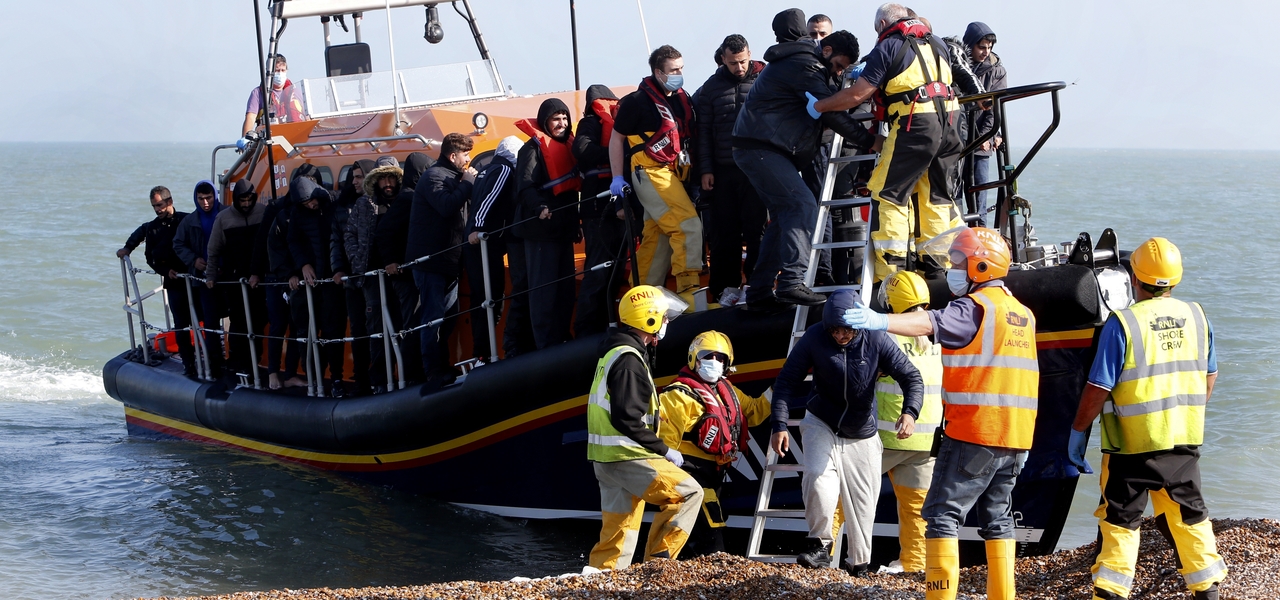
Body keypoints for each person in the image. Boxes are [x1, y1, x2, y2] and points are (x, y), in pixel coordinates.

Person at [842, 227, 1037, 600]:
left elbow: (929, 323)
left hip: (975, 432)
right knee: (997, 518)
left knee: (941, 515)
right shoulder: (1021, 314)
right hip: (1017, 436)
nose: (953, 269)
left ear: (981, 265)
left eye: (959, 262)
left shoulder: (976, 307)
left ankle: (940, 596)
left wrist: (879, 320)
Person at [1068, 238, 1226, 600]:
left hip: (1131, 446)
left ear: (1133, 279)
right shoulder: (1198, 316)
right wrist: (1186, 414)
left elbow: (1097, 388)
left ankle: (1110, 590)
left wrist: (1078, 432)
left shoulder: (1122, 325)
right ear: (1176, 279)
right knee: (1189, 516)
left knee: (1120, 521)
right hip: (1183, 442)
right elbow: (1209, 375)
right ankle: (1206, 589)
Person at [770, 288, 922, 575]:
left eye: (848, 330)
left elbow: (911, 377)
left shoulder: (877, 339)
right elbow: (786, 382)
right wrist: (779, 424)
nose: (841, 336)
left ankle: (859, 564)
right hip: (821, 422)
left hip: (862, 431)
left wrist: (910, 412)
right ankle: (819, 545)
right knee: (817, 476)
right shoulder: (814, 337)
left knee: (863, 506)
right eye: (836, 330)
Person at [810, 3, 963, 283]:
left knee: (888, 194)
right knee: (936, 196)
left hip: (914, 125)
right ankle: (936, 267)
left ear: (882, 25)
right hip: (951, 127)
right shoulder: (938, 43)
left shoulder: (890, 45)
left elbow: (858, 95)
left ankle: (892, 273)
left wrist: (820, 105)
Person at [731, 9, 868, 310]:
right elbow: (831, 111)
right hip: (762, 147)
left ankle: (759, 291)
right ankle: (792, 282)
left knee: (782, 217)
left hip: (762, 147)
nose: (837, 72)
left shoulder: (803, 63)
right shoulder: (805, 65)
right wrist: (870, 139)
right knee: (802, 204)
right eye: (838, 66)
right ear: (827, 51)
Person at [587, 285, 701, 570]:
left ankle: (602, 582)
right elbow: (626, 418)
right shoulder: (629, 360)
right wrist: (664, 450)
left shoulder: (616, 352)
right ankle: (658, 565)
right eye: (663, 318)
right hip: (628, 456)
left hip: (608, 458)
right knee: (688, 492)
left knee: (619, 529)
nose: (665, 323)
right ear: (648, 320)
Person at [656, 331, 771, 554]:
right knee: (709, 538)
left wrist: (781, 387)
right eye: (708, 356)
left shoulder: (728, 391)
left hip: (715, 473)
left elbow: (755, 411)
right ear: (695, 358)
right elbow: (665, 445)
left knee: (707, 531)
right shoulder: (678, 396)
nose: (714, 362)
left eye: (721, 358)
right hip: (689, 474)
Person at [608, 45, 702, 305]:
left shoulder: (683, 98)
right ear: (658, 73)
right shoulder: (636, 102)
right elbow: (617, 140)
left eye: (681, 68)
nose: (679, 73)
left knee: (658, 233)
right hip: (650, 172)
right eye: (674, 70)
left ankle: (640, 296)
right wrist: (618, 178)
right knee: (687, 225)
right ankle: (689, 290)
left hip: (675, 173)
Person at [876, 271, 944, 573]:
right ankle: (914, 566)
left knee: (841, 495)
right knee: (916, 510)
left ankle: (826, 552)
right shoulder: (936, 338)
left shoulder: (886, 336)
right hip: (926, 442)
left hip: (886, 436)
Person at [694, 35, 767, 301]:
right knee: (725, 233)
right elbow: (703, 132)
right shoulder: (710, 88)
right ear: (723, 59)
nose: (739, 67)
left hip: (756, 169)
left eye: (743, 61)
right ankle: (725, 287)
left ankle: (757, 283)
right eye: (733, 62)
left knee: (756, 229)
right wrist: (705, 169)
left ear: (750, 54)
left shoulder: (765, 79)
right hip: (723, 170)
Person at [408, 134, 476, 383]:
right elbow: (446, 206)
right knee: (433, 318)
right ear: (452, 156)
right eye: (465, 155)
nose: (468, 160)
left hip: (448, 260)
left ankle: (442, 366)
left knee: (447, 316)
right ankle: (433, 371)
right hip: (431, 262)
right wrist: (467, 184)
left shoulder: (451, 177)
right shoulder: (434, 176)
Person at [515, 98, 581, 350]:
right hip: (541, 231)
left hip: (563, 230)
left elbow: (570, 192)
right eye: (556, 119)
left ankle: (562, 335)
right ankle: (544, 343)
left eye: (565, 118)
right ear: (546, 122)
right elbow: (525, 186)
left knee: (565, 289)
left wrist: (576, 225)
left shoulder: (568, 147)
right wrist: (539, 207)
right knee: (544, 290)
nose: (562, 123)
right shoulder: (531, 149)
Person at [347, 157, 418, 390]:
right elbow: (350, 236)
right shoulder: (363, 205)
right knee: (377, 330)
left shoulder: (406, 201)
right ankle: (379, 381)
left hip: (401, 274)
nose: (387, 183)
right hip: (371, 277)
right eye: (382, 179)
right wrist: (357, 260)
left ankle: (408, 377)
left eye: (391, 178)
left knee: (405, 326)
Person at [117, 186, 196, 376]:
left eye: (160, 205)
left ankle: (211, 360)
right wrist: (128, 249)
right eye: (154, 206)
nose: (157, 209)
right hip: (174, 283)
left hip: (195, 280)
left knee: (205, 321)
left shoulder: (187, 220)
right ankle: (189, 365)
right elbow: (149, 257)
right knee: (181, 324)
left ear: (170, 202)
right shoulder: (152, 229)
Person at [573, 85, 628, 336]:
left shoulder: (619, 123)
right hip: (597, 209)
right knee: (597, 271)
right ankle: (586, 330)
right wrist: (615, 151)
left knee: (616, 272)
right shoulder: (590, 124)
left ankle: (608, 324)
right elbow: (582, 150)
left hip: (617, 206)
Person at [465, 136, 522, 361]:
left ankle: (481, 351)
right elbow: (489, 200)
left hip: (478, 242)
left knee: (481, 297)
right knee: (492, 295)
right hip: (484, 242)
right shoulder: (504, 169)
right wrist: (478, 227)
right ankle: (484, 352)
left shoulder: (485, 170)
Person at [287, 177, 346, 394]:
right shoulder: (297, 213)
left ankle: (337, 378)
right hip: (311, 283)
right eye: (305, 204)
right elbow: (292, 241)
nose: (310, 205)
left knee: (334, 331)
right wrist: (302, 264)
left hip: (333, 280)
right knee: (309, 332)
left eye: (311, 201)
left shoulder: (333, 202)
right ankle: (314, 377)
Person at [204, 180, 268, 376]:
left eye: (250, 200)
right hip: (234, 280)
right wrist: (210, 275)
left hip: (260, 279)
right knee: (238, 322)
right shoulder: (223, 219)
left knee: (259, 321)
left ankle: (254, 362)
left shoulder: (263, 212)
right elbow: (213, 251)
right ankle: (236, 361)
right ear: (236, 200)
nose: (247, 204)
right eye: (243, 200)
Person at [172, 180, 225, 374]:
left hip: (228, 276)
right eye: (201, 199)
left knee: (237, 319)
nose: (205, 203)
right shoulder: (190, 221)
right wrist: (193, 260)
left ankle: (237, 360)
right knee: (210, 322)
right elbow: (178, 244)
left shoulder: (226, 214)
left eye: (208, 198)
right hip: (203, 279)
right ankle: (215, 363)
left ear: (215, 196)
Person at [330, 161, 372, 395]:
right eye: (353, 177)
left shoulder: (380, 204)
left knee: (377, 328)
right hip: (352, 280)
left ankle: (380, 376)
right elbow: (337, 239)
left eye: (359, 177)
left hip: (373, 278)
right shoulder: (342, 207)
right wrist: (338, 268)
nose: (355, 181)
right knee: (358, 329)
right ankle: (361, 379)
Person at [962, 22, 1006, 227]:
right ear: (970, 45)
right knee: (953, 196)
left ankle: (981, 239)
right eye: (981, 47)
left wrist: (986, 137)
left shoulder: (998, 72)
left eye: (989, 47)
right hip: (958, 142)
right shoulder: (957, 67)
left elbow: (994, 110)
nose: (985, 52)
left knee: (980, 196)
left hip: (982, 144)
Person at [241, 54, 306, 136]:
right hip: (269, 140)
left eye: (283, 70)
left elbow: (306, 116)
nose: (280, 74)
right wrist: (245, 139)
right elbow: (250, 118)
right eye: (277, 71)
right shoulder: (258, 93)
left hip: (295, 138)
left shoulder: (296, 92)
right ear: (269, 72)